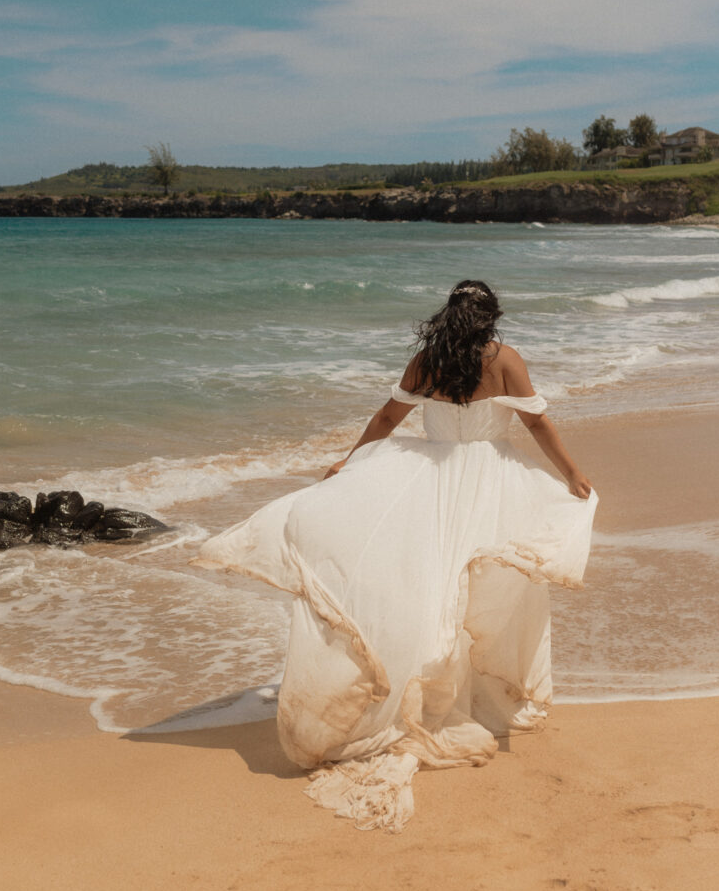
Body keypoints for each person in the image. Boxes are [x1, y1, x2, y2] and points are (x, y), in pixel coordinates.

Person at [195, 280, 597, 832]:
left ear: (449, 316)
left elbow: (387, 420)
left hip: (425, 479)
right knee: (482, 584)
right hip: (489, 482)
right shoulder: (505, 360)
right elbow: (537, 423)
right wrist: (572, 474)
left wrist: (349, 463)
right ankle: (471, 697)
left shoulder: (426, 361)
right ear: (490, 318)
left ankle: (429, 689)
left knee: (427, 583)